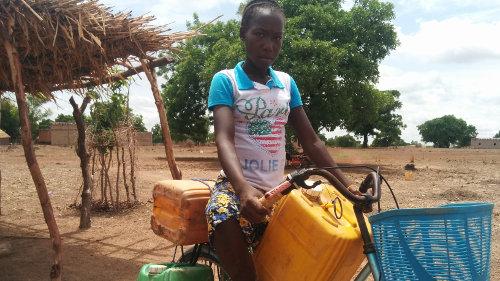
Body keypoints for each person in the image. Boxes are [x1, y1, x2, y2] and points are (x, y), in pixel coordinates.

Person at [205, 1, 353, 280]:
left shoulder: (286, 83)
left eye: (276, 37)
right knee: (221, 214)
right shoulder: (226, 81)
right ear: (243, 34)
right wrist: (243, 189)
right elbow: (223, 139)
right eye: (260, 34)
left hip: (279, 187)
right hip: (237, 184)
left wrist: (348, 188)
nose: (268, 45)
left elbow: (312, 142)